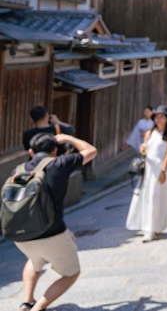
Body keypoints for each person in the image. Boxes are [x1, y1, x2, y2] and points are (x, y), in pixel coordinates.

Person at [13, 132, 97, 311]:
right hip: (52, 233)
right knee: (71, 274)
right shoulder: (59, 164)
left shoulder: (19, 170)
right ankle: (38, 308)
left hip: (20, 235)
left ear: (30, 152)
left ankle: (26, 303)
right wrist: (67, 138)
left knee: (34, 260)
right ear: (54, 150)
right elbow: (91, 150)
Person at [126, 105, 167, 243]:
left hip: (160, 168)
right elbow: (145, 150)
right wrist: (143, 148)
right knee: (145, 197)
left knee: (157, 198)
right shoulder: (150, 133)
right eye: (157, 116)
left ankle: (154, 227)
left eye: (161, 116)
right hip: (148, 168)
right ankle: (147, 227)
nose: (159, 119)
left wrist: (163, 171)